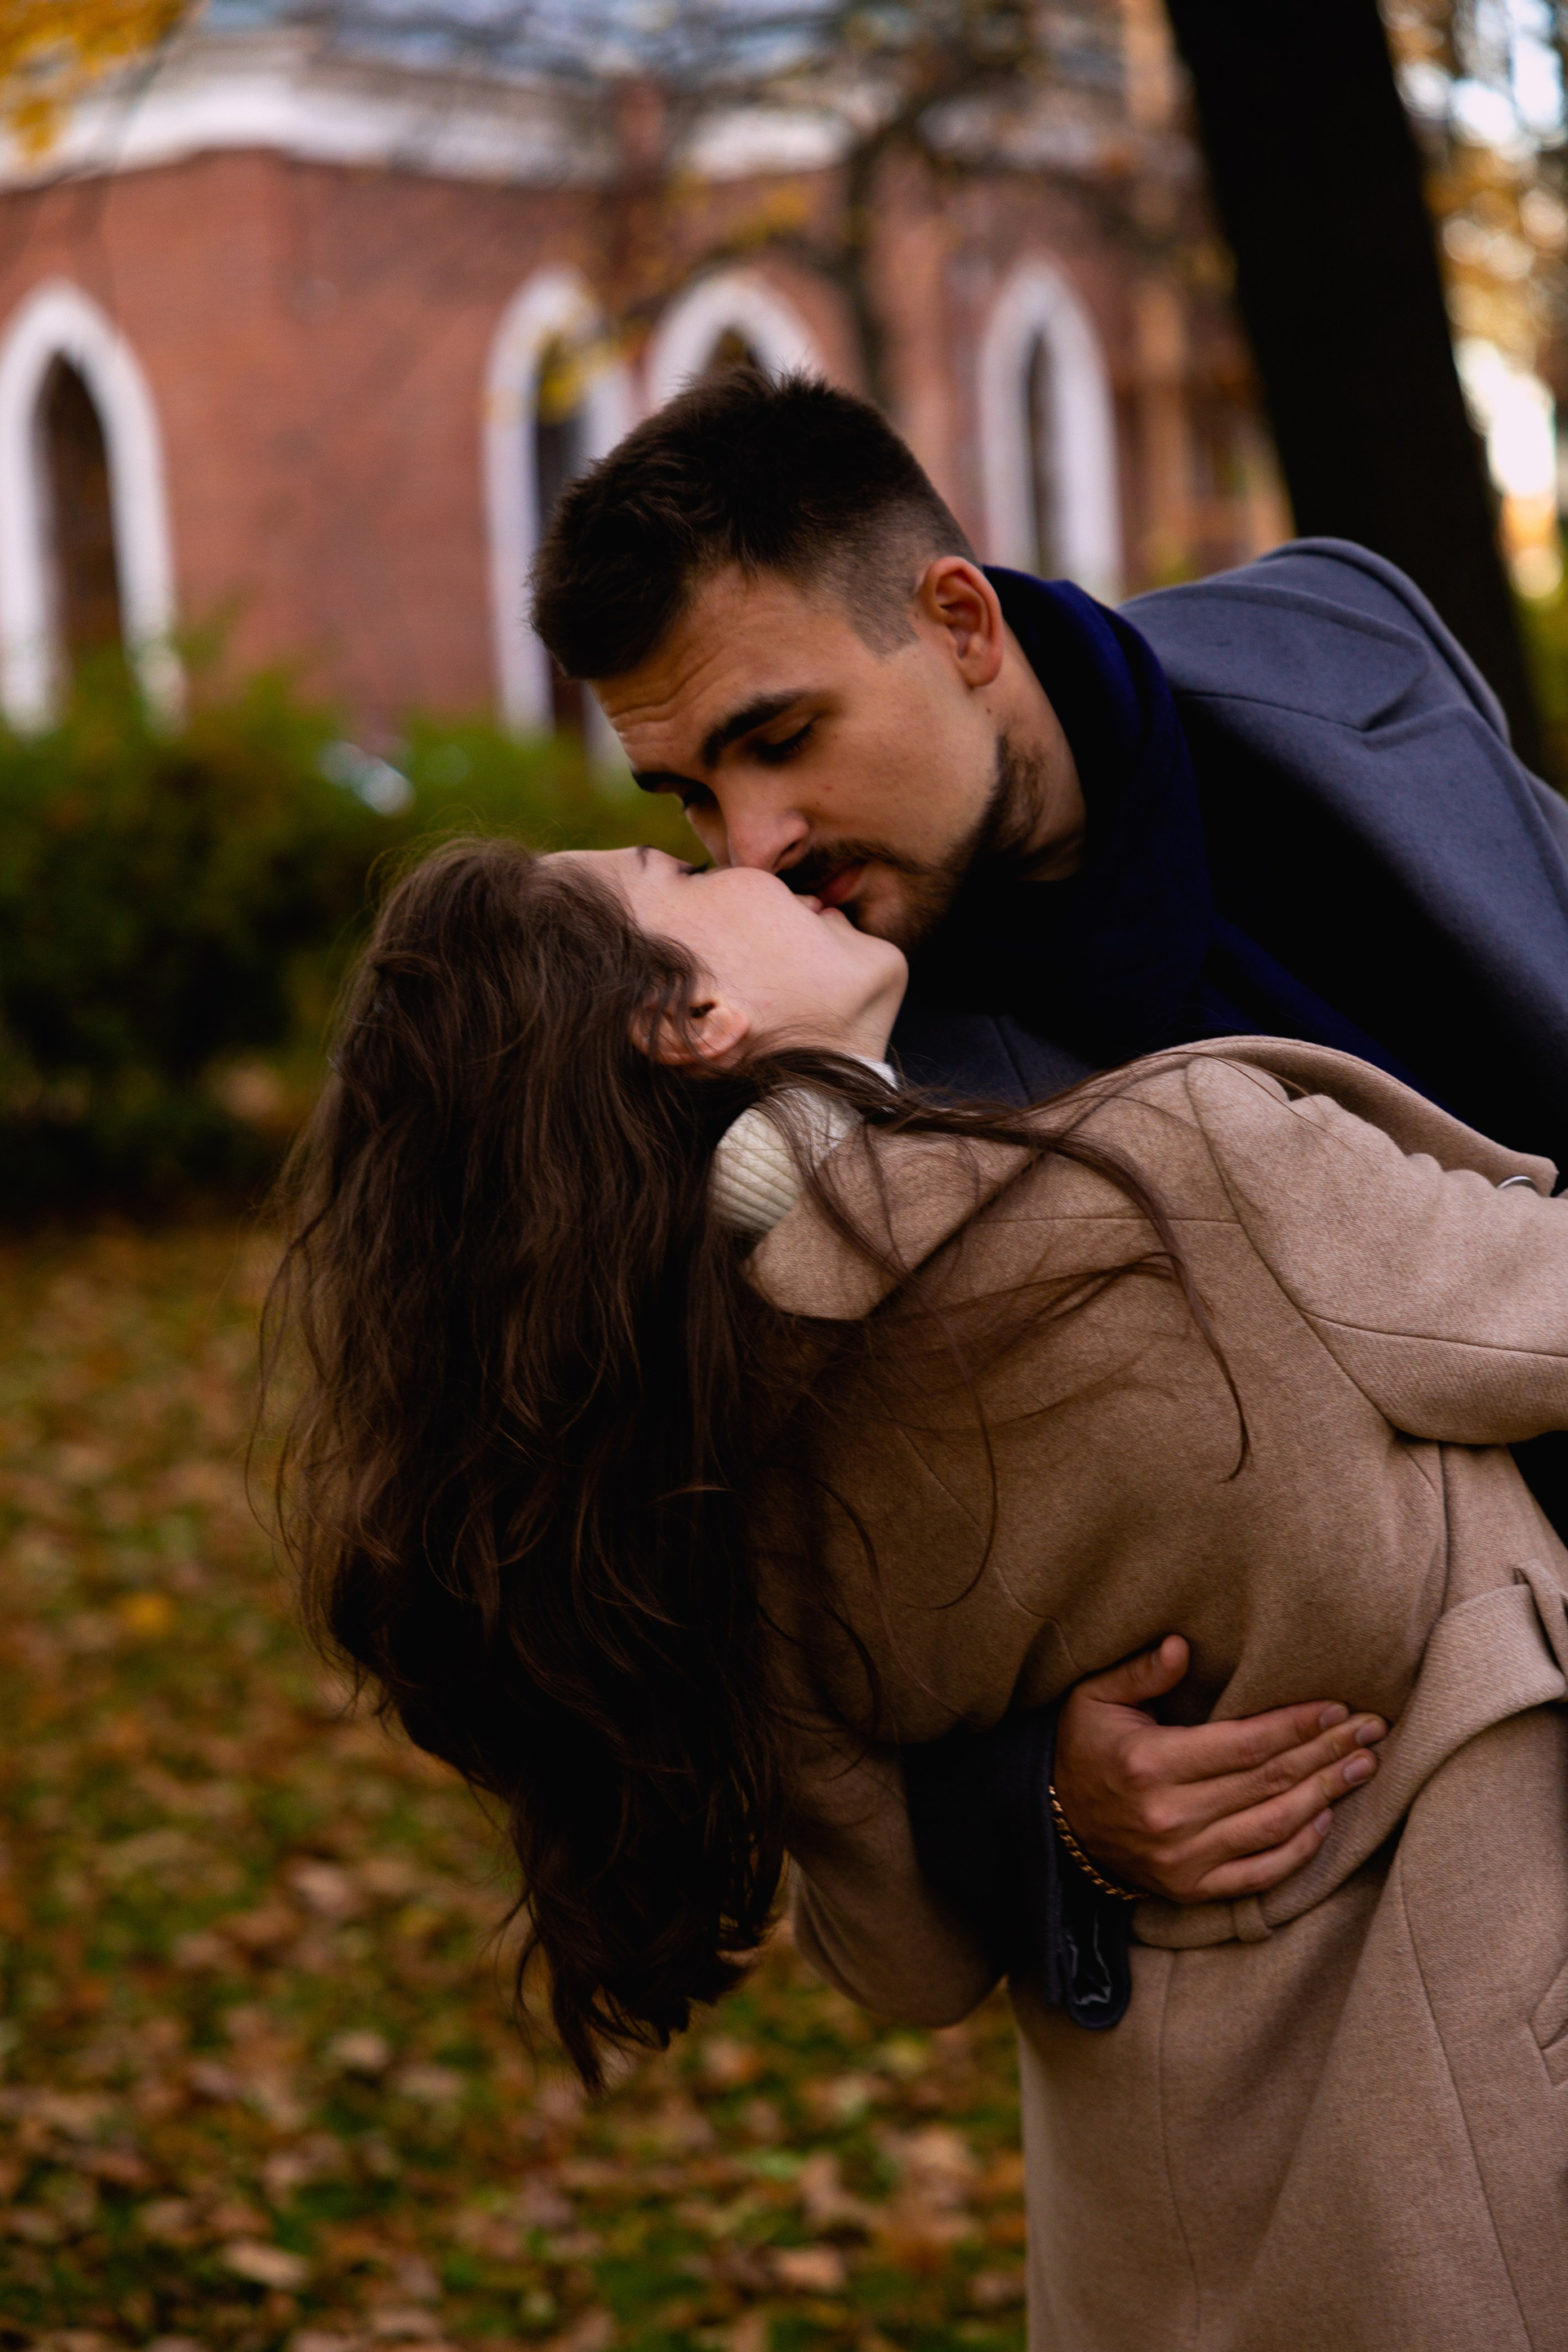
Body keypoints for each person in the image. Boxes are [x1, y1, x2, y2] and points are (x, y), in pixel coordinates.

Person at [268, 833, 1568, 2350]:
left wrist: (1044, 1804)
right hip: (1485, 2130)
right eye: (673, 867)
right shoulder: (1182, 1169)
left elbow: (902, 1952)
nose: (750, 853)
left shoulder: (689, 1479)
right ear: (689, 1019)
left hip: (1144, 2218)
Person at [527, 365, 1568, 1978]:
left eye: (779, 738)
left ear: (959, 621)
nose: (752, 842)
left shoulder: (1336, 632)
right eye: (691, 797)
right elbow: (805, 1634)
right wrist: (1045, 1808)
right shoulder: (844, 1121)